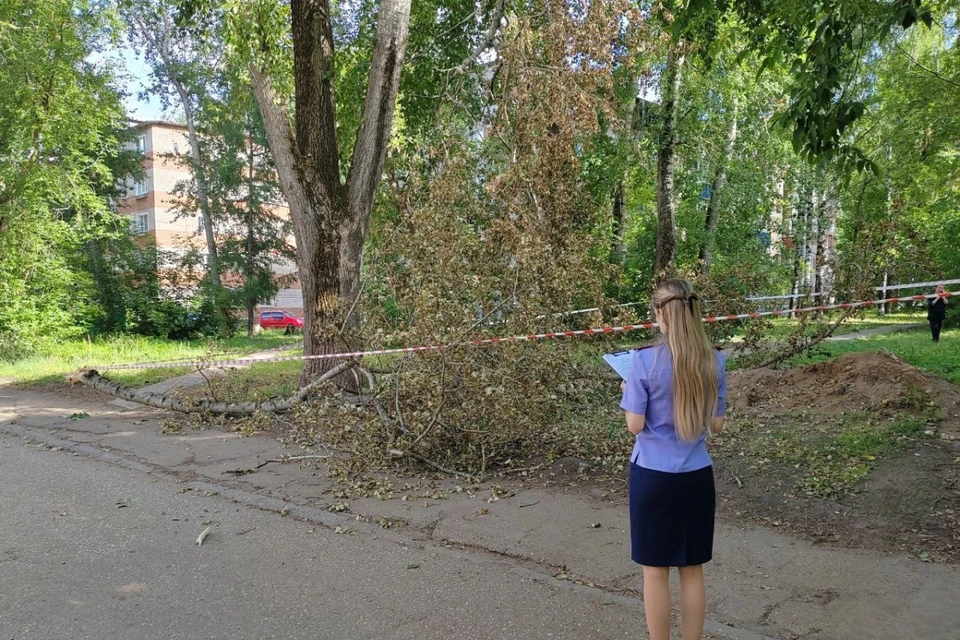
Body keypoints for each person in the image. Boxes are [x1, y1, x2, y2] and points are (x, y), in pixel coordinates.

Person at [619, 278, 727, 640]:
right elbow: (717, 425)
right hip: (696, 476)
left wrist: (629, 392)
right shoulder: (713, 360)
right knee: (692, 570)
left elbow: (635, 425)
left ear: (659, 314)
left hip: (653, 477)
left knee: (655, 572)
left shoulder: (643, 362)